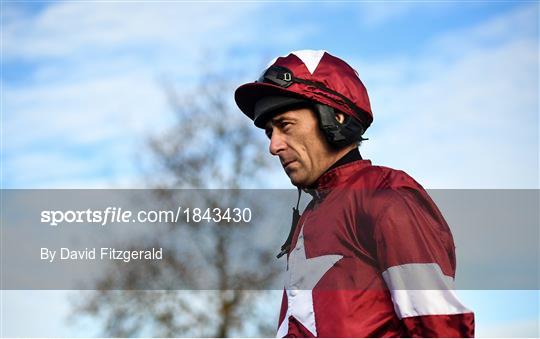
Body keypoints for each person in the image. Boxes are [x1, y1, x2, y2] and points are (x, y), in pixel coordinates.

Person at [234, 50, 475, 337]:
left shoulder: (385, 196)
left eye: (285, 125)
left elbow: (440, 328)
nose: (274, 146)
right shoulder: (310, 216)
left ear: (334, 117)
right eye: (269, 132)